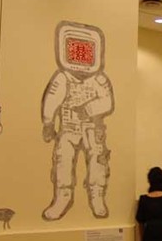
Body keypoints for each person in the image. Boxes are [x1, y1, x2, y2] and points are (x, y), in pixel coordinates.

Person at [41, 21, 114, 221]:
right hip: (68, 128)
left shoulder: (99, 80)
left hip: (93, 129)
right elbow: (51, 100)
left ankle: (97, 196)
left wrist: (88, 109)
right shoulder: (62, 78)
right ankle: (63, 197)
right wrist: (48, 122)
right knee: (63, 162)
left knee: (98, 162)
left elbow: (107, 102)